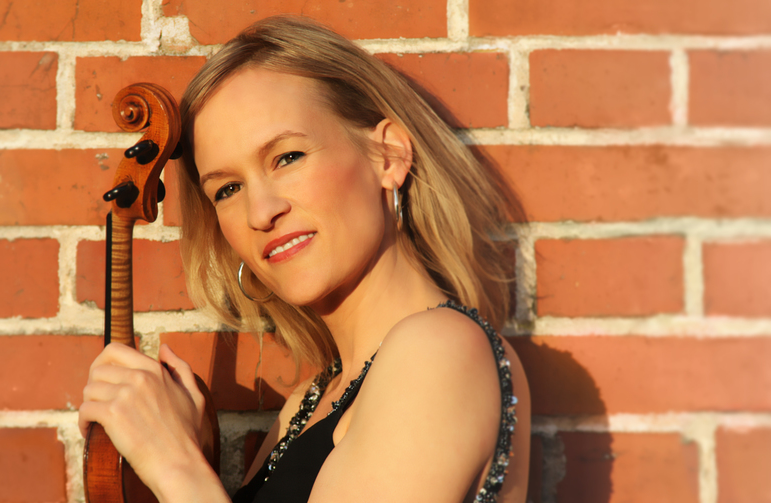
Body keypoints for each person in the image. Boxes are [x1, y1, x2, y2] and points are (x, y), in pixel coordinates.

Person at [79, 15, 531, 503]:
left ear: (388, 155)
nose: (260, 212)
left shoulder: (441, 350)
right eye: (227, 189)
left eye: (288, 157)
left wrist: (172, 460)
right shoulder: (306, 405)